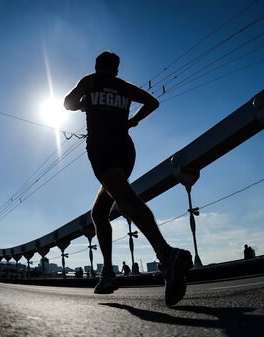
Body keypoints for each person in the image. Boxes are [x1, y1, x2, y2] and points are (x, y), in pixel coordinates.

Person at [64, 51, 193, 306]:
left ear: (97, 66)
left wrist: (83, 103)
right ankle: (108, 274)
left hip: (102, 149)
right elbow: (153, 103)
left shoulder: (89, 80)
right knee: (100, 213)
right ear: (117, 70)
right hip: (126, 151)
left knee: (124, 200)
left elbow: (67, 103)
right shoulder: (124, 87)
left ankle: (167, 256)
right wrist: (132, 121)